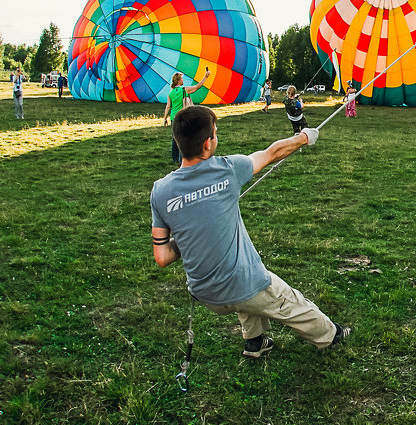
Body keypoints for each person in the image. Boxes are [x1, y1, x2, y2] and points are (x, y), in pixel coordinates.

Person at [150, 105, 350, 358]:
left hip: (204, 293)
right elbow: (273, 152)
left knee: (244, 279)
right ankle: (331, 335)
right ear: (208, 143)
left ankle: (255, 342)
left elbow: (162, 257)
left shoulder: (160, 190)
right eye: (215, 132)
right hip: (240, 284)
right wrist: (304, 137)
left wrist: (188, 237)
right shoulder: (229, 168)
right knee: (287, 300)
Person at [163, 69, 210, 165]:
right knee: (183, 138)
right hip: (183, 117)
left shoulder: (170, 93)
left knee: (175, 138)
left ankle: (175, 158)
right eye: (182, 79)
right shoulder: (184, 90)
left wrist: (165, 118)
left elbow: (168, 106)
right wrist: (205, 77)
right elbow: (197, 87)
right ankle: (182, 159)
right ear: (179, 80)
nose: (183, 80)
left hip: (173, 117)